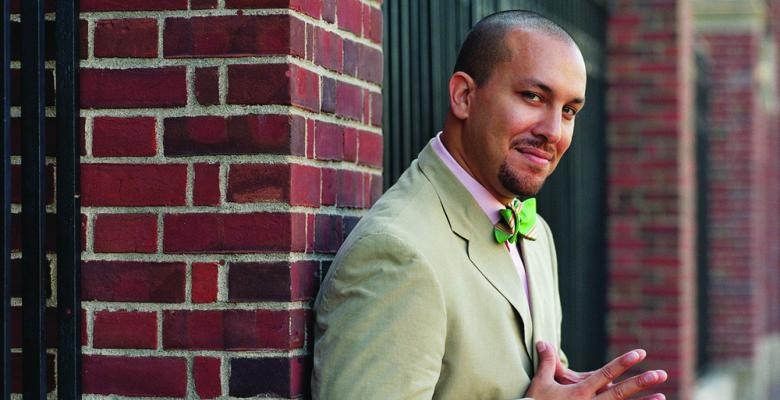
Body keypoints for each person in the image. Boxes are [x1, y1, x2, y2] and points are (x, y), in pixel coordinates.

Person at [312, 10, 668, 400]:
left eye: (568, 111)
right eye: (533, 97)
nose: (553, 131)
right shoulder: (395, 252)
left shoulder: (535, 233)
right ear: (464, 96)